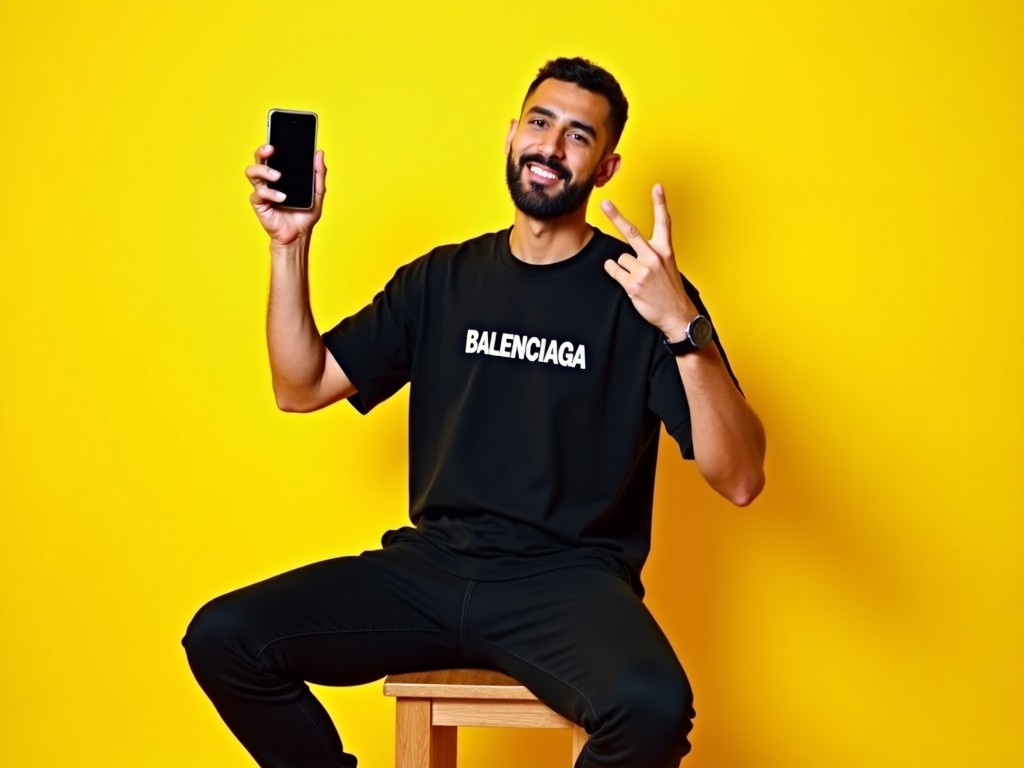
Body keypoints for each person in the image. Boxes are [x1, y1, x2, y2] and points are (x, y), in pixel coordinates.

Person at [183, 57, 766, 768]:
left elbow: (738, 478)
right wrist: (289, 245)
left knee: (651, 708)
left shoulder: (646, 294)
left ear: (606, 167)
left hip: (566, 585)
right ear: (511, 135)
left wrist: (683, 328)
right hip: (428, 572)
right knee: (223, 636)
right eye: (540, 123)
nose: (551, 147)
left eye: (579, 136)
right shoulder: (442, 279)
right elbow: (300, 387)